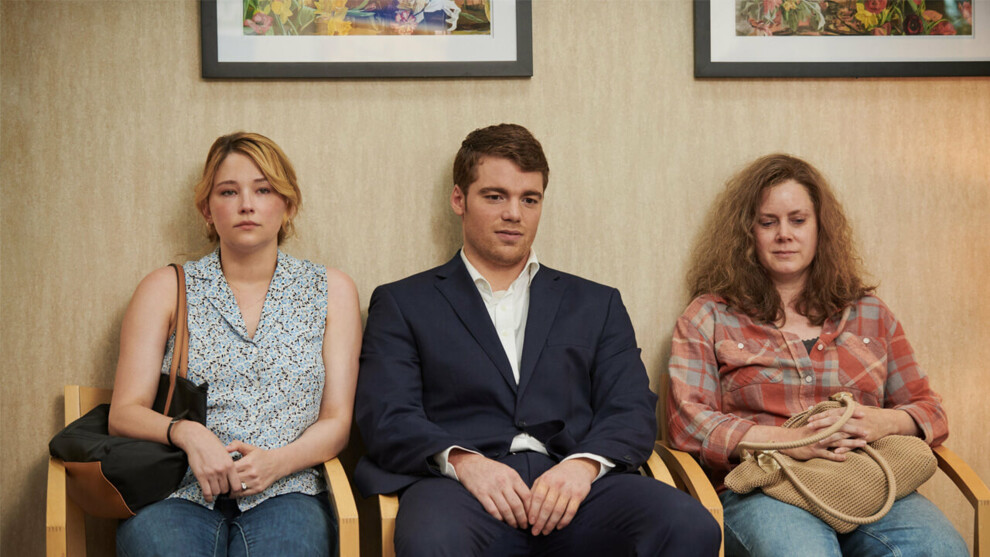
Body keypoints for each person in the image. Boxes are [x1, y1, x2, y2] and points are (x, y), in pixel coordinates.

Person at [355, 123, 720, 556]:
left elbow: (630, 408)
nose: (515, 213)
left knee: (689, 525)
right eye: (495, 196)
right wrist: (464, 462)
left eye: (530, 199)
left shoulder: (596, 303)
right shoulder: (403, 302)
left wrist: (583, 467)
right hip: (460, 492)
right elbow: (387, 414)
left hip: (578, 489)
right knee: (430, 540)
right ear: (459, 199)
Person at [666, 153, 968, 557]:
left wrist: (881, 421)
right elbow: (688, 423)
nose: (784, 235)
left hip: (868, 482)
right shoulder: (709, 316)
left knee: (940, 550)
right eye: (768, 222)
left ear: (820, 228)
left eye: (798, 220)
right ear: (747, 232)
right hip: (765, 488)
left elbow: (930, 411)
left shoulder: (870, 314)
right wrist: (790, 442)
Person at [108, 132, 361, 556]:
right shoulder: (166, 288)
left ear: (288, 205)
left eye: (263, 190)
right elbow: (124, 412)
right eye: (229, 191)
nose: (246, 204)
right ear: (207, 210)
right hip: (177, 489)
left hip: (289, 490)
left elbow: (336, 420)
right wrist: (187, 433)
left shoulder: (331, 290)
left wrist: (278, 462)